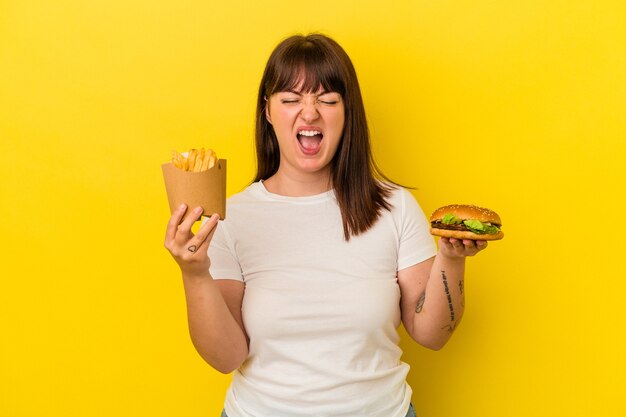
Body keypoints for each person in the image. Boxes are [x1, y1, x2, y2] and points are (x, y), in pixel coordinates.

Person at [164, 33, 488, 417]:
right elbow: (226, 356)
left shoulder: (394, 206)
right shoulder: (231, 217)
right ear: (268, 112)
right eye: (290, 99)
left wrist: (451, 259)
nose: (310, 112)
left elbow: (431, 335)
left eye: (328, 99)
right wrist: (195, 273)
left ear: (347, 111)